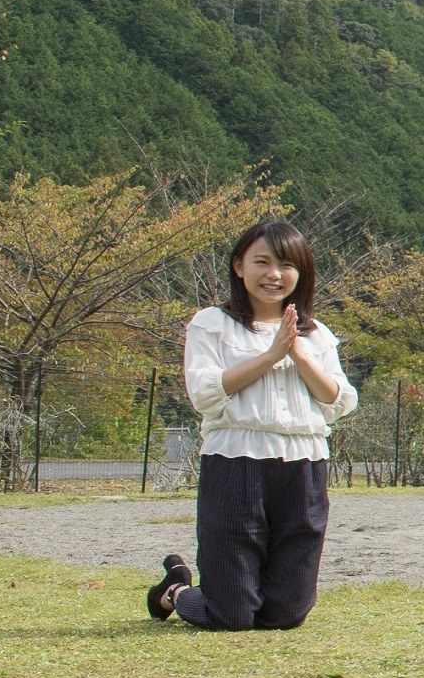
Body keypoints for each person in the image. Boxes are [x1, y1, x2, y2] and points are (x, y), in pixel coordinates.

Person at [145, 219, 358, 632]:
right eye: (262, 262)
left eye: (286, 265)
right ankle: (176, 591)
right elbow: (205, 393)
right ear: (239, 266)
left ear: (301, 273)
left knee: (287, 614)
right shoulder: (212, 323)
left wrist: (298, 354)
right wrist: (270, 355)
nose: (274, 275)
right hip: (235, 459)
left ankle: (208, 592)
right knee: (232, 615)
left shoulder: (317, 335)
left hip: (304, 462)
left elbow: (338, 400)